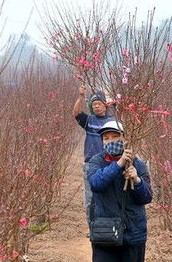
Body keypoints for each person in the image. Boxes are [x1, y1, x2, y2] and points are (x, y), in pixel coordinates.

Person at [88, 121, 153, 262]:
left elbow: (147, 197)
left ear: (125, 139)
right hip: (105, 233)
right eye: (106, 138)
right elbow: (95, 183)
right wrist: (118, 164)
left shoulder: (137, 164)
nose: (110, 141)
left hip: (134, 234)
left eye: (115, 136)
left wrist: (137, 181)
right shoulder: (97, 161)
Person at [73, 85, 114, 232]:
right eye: (94, 104)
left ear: (105, 105)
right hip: (91, 164)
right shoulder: (89, 120)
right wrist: (80, 96)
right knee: (91, 198)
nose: (96, 106)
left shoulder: (112, 122)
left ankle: (109, 227)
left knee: (110, 196)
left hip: (109, 164)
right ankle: (93, 229)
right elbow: (76, 113)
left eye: (99, 103)